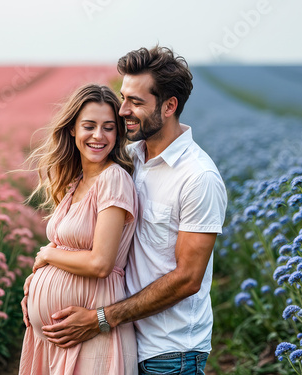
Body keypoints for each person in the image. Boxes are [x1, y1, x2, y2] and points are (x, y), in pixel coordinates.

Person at [39, 46, 228, 375]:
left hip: (169, 353)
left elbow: (188, 279)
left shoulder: (198, 177)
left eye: (136, 102)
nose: (122, 110)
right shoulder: (129, 157)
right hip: (121, 339)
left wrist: (102, 318)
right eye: (123, 97)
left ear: (169, 106)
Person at [19, 84, 138, 374]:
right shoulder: (76, 183)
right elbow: (69, 249)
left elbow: (100, 263)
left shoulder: (114, 180)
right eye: (89, 126)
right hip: (53, 338)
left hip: (92, 331)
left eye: (109, 127)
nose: (99, 136)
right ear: (72, 129)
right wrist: (35, 286)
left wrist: (47, 255)